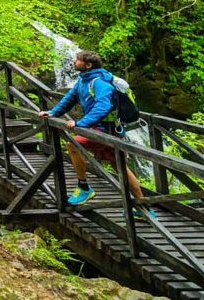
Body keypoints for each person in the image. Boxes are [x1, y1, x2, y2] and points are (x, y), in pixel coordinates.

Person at [38, 50, 150, 216]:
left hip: (105, 130)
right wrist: (53, 112)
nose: (74, 61)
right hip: (102, 129)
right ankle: (144, 207)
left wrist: (81, 123)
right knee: (119, 166)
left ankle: (84, 188)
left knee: (73, 145)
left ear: (88, 65)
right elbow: (70, 98)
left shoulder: (100, 82)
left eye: (78, 60)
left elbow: (103, 106)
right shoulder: (83, 80)